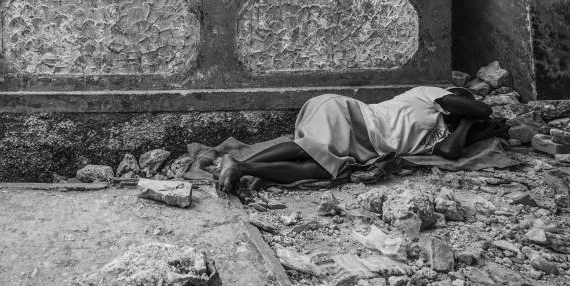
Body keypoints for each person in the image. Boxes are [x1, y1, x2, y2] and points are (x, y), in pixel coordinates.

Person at [217, 86, 507, 193]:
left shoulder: (441, 131)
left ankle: (240, 166)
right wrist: (476, 113)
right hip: (352, 116)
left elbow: (451, 152)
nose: (461, 111)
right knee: (312, 152)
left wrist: (467, 124)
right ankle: (240, 165)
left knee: (320, 167)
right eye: (461, 105)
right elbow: (483, 108)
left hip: (361, 143)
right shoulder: (430, 94)